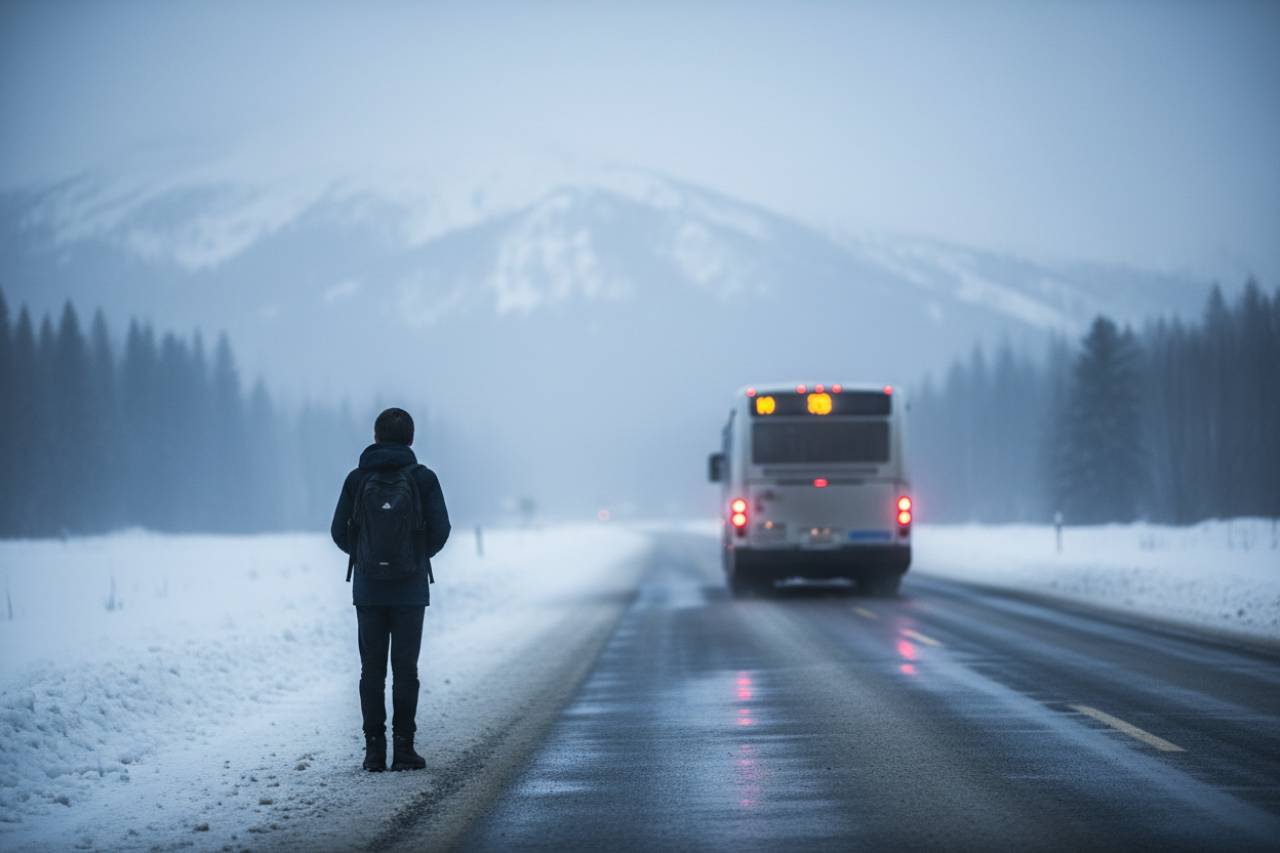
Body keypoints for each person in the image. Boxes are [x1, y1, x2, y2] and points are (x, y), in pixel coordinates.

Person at [331, 407, 450, 772]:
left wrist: (366, 558)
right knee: (405, 669)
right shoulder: (423, 478)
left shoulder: (356, 479)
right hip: (410, 588)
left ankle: (373, 751)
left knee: (371, 670)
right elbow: (441, 530)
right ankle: (404, 748)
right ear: (411, 438)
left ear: (376, 436)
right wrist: (414, 557)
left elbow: (339, 531)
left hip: (368, 589)